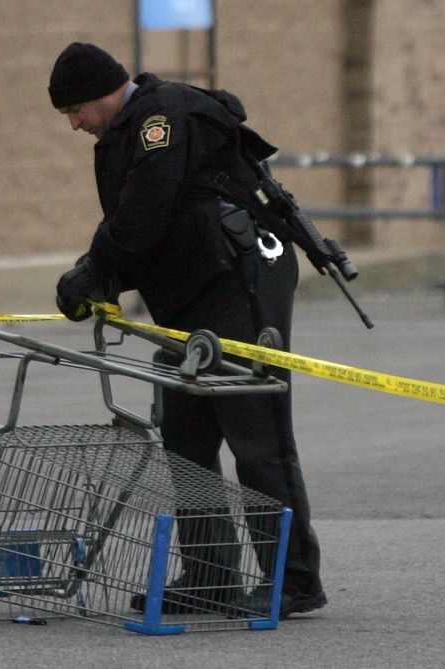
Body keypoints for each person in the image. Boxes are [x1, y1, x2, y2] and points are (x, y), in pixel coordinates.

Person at [48, 42, 326, 619]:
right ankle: (211, 577)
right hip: (190, 291)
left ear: (102, 93)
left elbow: (145, 210)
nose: (74, 125)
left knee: (257, 437)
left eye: (75, 111)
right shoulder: (119, 135)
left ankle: (294, 583)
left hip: (239, 283)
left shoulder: (162, 119)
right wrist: (100, 279)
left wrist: (94, 267)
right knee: (187, 438)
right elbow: (144, 224)